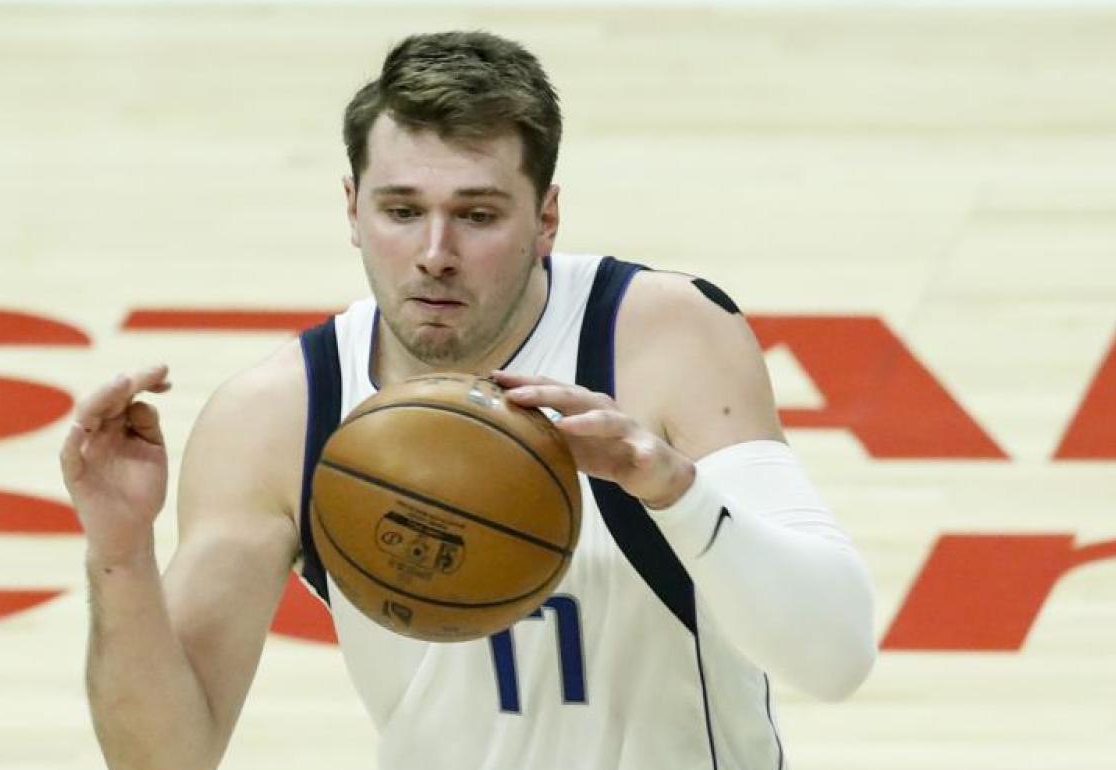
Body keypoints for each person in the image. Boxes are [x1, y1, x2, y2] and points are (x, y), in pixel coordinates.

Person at [60, 31, 876, 770]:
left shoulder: (664, 337)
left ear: (546, 215)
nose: (435, 255)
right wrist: (120, 550)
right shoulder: (277, 415)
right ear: (352, 210)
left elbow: (833, 658)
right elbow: (163, 761)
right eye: (402, 211)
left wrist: (668, 482)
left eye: (477, 215)